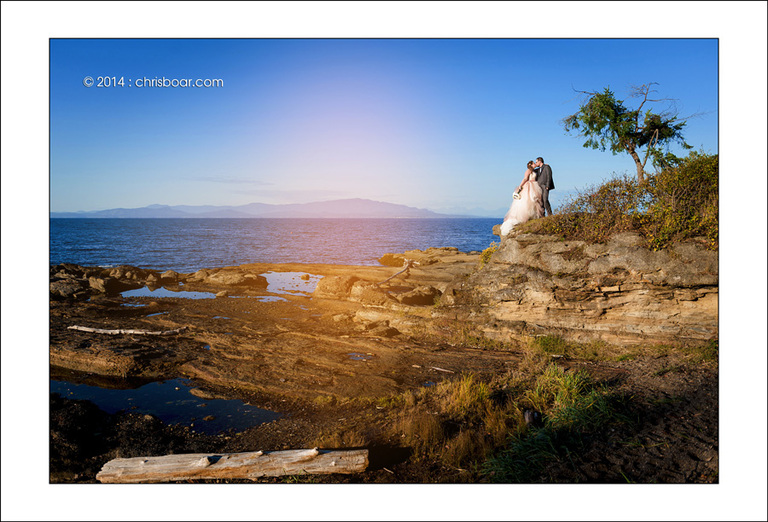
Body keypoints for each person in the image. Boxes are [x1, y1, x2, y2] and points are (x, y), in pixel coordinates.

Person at [500, 161, 544, 236]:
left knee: (534, 201)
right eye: (533, 163)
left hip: (534, 185)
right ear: (531, 165)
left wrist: (544, 165)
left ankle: (533, 215)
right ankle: (527, 216)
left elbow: (538, 167)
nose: (535, 164)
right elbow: (525, 178)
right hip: (529, 185)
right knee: (529, 200)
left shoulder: (534, 170)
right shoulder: (528, 171)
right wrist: (520, 185)